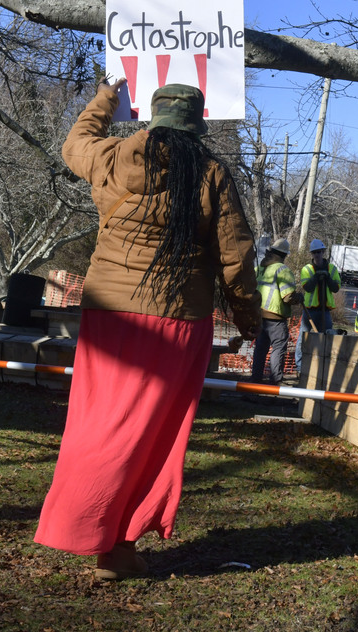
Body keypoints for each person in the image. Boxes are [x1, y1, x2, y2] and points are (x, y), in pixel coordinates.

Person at [35, 79, 260, 581]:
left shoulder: (111, 156)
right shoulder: (210, 173)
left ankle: (89, 527)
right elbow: (236, 256)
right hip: (175, 321)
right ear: (197, 125)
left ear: (152, 118)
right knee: (152, 435)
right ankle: (116, 545)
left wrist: (104, 99)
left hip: (105, 314)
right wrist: (248, 320)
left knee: (97, 423)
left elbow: (74, 142)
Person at [251, 239, 297, 386]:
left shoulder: (260, 268)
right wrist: (298, 297)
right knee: (278, 349)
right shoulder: (282, 270)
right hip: (276, 319)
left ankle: (255, 381)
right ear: (284, 255)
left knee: (260, 350)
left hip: (259, 316)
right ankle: (275, 382)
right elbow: (288, 297)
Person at [295, 239, 341, 375]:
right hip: (309, 311)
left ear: (323, 252)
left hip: (325, 311)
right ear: (312, 254)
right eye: (315, 252)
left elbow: (336, 288)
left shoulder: (332, 269)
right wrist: (316, 278)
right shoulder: (307, 269)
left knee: (328, 339)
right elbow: (307, 288)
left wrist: (328, 278)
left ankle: (324, 367)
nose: (317, 255)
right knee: (303, 339)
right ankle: (300, 368)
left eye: (320, 252)